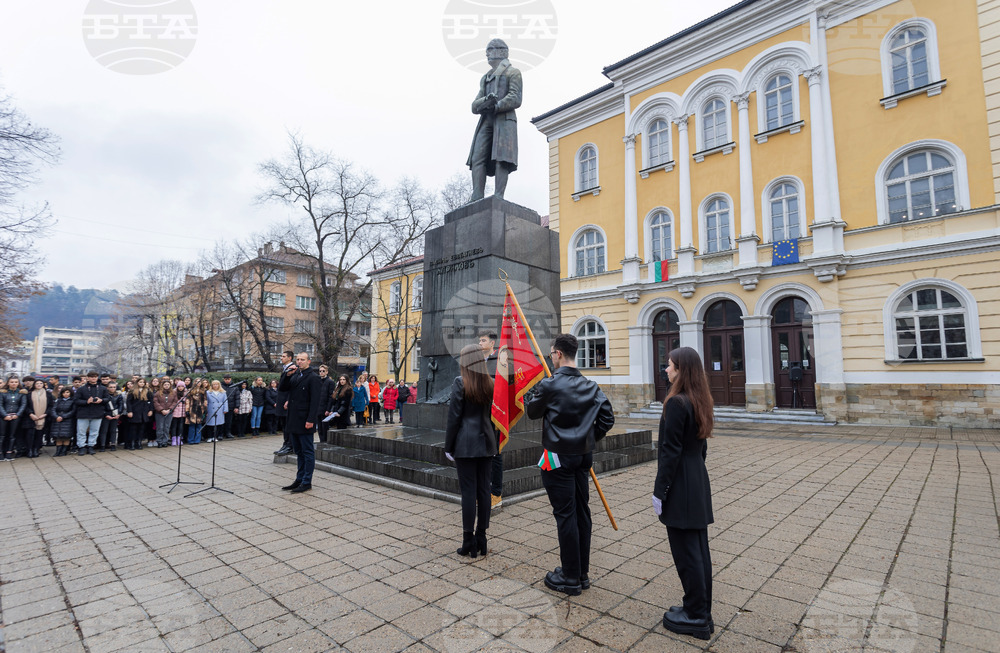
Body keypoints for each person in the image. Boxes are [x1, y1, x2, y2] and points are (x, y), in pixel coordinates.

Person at [525, 333, 615, 596]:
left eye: (552, 353)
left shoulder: (551, 384)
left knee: (566, 515)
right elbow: (607, 420)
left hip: (558, 459)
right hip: (581, 457)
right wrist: (587, 439)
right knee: (582, 513)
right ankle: (582, 572)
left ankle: (570, 576)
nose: (551, 357)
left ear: (558, 354)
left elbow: (532, 411)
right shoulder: (591, 386)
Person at [655, 347, 715, 641]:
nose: (666, 370)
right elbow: (700, 448)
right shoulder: (698, 398)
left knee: (687, 553)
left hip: (681, 484)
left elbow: (670, 452)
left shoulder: (676, 403)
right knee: (698, 550)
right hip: (696, 479)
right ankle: (700, 610)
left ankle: (695, 615)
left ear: (681, 370)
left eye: (669, 366)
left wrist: (660, 491)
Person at [445, 345, 498, 559]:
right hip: (486, 442)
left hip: (465, 445)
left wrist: (448, 446)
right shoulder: (491, 383)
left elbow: (454, 418)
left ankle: (468, 541)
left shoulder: (460, 382)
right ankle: (482, 537)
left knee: (468, 493)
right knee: (484, 491)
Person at [467, 38, 522, 201]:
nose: (487, 53)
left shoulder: (513, 72)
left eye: (490, 49)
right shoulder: (485, 78)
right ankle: (477, 195)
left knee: (501, 158)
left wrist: (496, 105)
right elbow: (473, 106)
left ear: (502, 52)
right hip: (486, 120)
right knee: (478, 157)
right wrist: (486, 101)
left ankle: (499, 196)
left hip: (504, 120)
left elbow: (516, 98)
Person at [278, 351, 321, 494]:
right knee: (298, 452)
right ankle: (299, 479)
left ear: (309, 361)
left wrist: (311, 420)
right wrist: (287, 375)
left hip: (305, 421)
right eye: (298, 359)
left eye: (303, 359)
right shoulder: (295, 374)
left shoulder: (313, 378)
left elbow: (315, 402)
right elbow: (283, 388)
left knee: (307, 452)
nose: (299, 362)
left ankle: (307, 481)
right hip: (293, 419)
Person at [479, 331, 504, 509]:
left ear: (492, 343)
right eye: (479, 340)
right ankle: (484, 489)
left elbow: (501, 386)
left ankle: (496, 493)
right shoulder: (479, 362)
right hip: (479, 412)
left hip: (495, 413)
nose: (480, 343)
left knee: (496, 454)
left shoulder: (498, 361)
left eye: (483, 340)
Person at [75, 371, 110, 455]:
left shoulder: (102, 388)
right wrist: (86, 402)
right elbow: (76, 400)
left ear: (97, 378)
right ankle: (82, 446)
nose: (93, 378)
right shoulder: (81, 389)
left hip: (97, 412)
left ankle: (91, 446)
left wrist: (101, 400)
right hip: (83, 413)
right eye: (91, 377)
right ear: (88, 378)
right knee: (81, 431)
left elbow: (108, 398)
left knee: (94, 431)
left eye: (95, 377)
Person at [1, 376, 27, 460]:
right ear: (8, 383)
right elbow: (0, 405)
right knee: (2, 435)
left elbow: (23, 405)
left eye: (16, 382)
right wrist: (5, 415)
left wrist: (18, 414)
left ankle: (9, 452)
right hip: (3, 417)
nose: (14, 384)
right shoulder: (2, 392)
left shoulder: (21, 393)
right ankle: (1, 452)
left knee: (12, 435)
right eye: (12, 382)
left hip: (15, 416)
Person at [25, 379, 51, 458]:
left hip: (42, 418)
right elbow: (26, 406)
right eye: (37, 383)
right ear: (34, 385)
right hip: (31, 417)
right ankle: (29, 449)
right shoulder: (29, 394)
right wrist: (31, 414)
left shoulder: (48, 394)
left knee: (39, 434)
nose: (39, 385)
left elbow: (51, 406)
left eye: (41, 383)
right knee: (30, 434)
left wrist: (45, 414)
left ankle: (36, 449)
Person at [125, 379, 153, 451]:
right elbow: (129, 402)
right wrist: (129, 411)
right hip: (135, 412)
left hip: (144, 412)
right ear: (137, 383)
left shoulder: (148, 391)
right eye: (140, 382)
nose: (142, 383)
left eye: (143, 382)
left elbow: (151, 401)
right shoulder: (132, 391)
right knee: (133, 429)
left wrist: (150, 410)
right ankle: (132, 443)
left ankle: (139, 442)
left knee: (141, 429)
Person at [275, 350, 294, 454]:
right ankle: (286, 443)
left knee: (287, 424)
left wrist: (288, 400)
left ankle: (289, 445)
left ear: (289, 358)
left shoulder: (292, 369)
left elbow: (292, 387)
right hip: (281, 401)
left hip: (287, 402)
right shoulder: (285, 369)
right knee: (284, 424)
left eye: (283, 356)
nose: (281, 358)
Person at [98, 381, 124, 451]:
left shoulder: (118, 395)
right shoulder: (104, 396)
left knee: (113, 430)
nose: (112, 389)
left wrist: (118, 414)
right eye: (111, 387)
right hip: (106, 414)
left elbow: (121, 405)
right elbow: (101, 406)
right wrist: (105, 414)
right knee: (104, 430)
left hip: (115, 414)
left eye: (114, 387)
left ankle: (113, 444)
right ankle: (102, 445)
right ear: (107, 388)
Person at [153, 379, 179, 448]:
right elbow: (156, 402)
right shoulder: (158, 393)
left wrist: (170, 409)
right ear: (162, 385)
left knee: (166, 427)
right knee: (160, 427)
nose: (166, 386)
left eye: (168, 384)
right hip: (159, 413)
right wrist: (161, 410)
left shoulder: (173, 393)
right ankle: (159, 441)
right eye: (165, 385)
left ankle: (165, 441)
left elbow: (175, 402)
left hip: (169, 413)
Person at [50, 387, 75, 457]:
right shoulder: (58, 400)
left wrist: (63, 416)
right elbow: (53, 409)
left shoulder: (73, 401)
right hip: (57, 420)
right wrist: (56, 416)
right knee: (58, 436)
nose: (65, 394)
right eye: (64, 392)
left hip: (68, 420)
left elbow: (73, 411)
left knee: (66, 436)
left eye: (67, 392)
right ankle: (58, 451)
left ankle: (64, 451)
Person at [316, 365, 336, 442]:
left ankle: (325, 441)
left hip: (325, 408)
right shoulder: (317, 380)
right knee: (319, 427)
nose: (321, 372)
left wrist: (328, 409)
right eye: (320, 371)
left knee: (325, 427)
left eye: (323, 371)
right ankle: (321, 441)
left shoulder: (330, 382)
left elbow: (330, 397)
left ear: (327, 372)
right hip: (318, 407)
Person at [221, 375, 239, 439]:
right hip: (221, 406)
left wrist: (236, 407)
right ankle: (221, 434)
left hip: (230, 406)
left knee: (229, 421)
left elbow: (237, 397)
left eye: (228, 379)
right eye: (226, 379)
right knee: (221, 421)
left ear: (230, 379)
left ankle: (228, 433)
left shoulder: (234, 387)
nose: (227, 380)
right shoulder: (221, 386)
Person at [169, 381, 187, 445]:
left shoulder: (186, 393)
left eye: (182, 386)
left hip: (182, 411)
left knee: (181, 426)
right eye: (179, 386)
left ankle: (179, 438)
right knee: (174, 426)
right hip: (175, 411)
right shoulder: (173, 392)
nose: (180, 388)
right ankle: (173, 439)